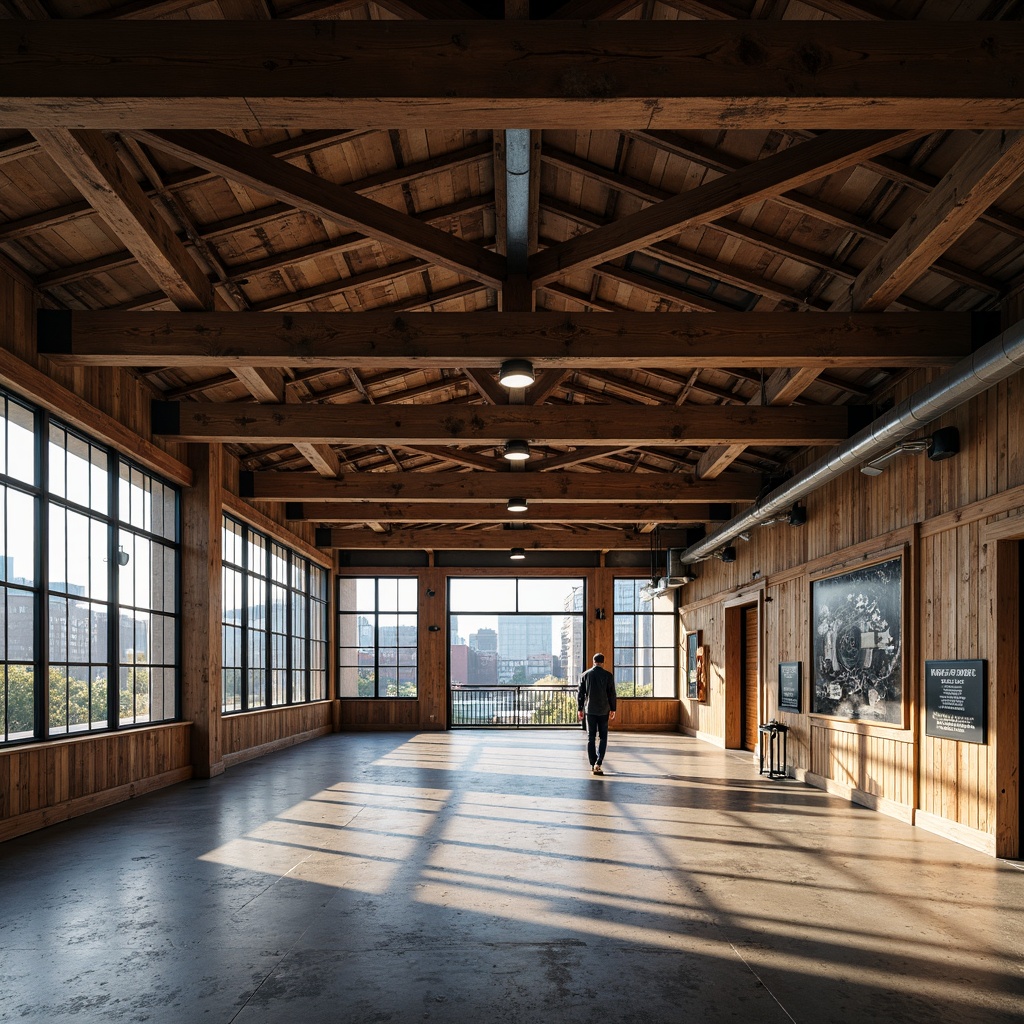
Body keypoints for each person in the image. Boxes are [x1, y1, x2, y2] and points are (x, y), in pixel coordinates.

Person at [577, 653, 617, 775]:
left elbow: (580, 694)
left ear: (593, 661)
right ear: (603, 662)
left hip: (590, 710)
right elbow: (612, 694)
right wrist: (613, 709)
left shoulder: (585, 675)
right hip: (604, 710)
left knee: (591, 737)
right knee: (603, 737)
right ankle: (598, 763)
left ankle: (592, 763)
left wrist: (580, 709)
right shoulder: (608, 676)